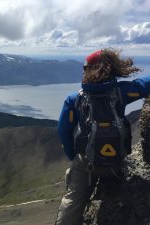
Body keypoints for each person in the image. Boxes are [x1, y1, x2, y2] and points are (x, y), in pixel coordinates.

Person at [55, 48, 150, 225]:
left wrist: (74, 157)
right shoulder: (122, 92)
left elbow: (63, 131)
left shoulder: (74, 99)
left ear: (89, 70)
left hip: (87, 164)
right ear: (112, 69)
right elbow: (144, 85)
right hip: (116, 164)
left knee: (72, 200)